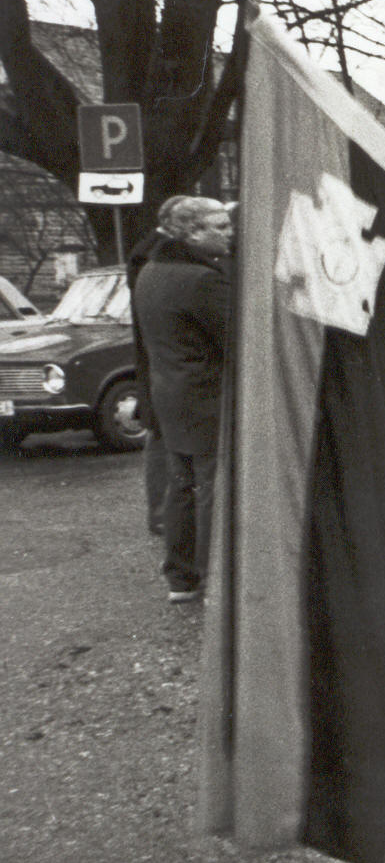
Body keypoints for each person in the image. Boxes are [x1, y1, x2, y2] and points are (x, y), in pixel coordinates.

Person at [132, 195, 233, 603]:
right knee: (213, 487)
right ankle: (217, 581)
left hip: (170, 396)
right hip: (208, 397)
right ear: (193, 233)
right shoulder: (203, 280)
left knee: (181, 486)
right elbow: (237, 338)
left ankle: (181, 577)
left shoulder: (152, 271)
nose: (230, 233)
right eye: (220, 227)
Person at [126, 200, 178, 537]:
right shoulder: (155, 253)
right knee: (160, 438)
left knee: (159, 435)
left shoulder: (146, 249)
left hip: (153, 354)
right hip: (159, 355)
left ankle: (160, 511)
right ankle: (160, 511)